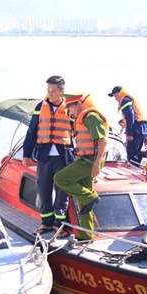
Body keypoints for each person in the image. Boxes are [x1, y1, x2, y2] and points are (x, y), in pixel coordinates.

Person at [22, 75, 74, 234]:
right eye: (48, 90)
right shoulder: (40, 106)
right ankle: (46, 223)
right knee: (43, 190)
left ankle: (60, 225)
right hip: (44, 155)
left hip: (63, 155)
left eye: (53, 91)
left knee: (61, 191)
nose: (50, 94)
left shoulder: (70, 107)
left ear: (62, 91)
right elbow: (32, 131)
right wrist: (27, 153)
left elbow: (79, 131)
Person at [54, 92, 108, 240]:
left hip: (90, 161)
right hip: (85, 159)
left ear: (78, 104)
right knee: (83, 200)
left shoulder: (90, 117)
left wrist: (97, 164)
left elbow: (103, 141)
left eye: (71, 108)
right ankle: (86, 234)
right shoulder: (82, 117)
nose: (70, 112)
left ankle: (91, 197)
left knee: (59, 178)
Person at [107, 86, 147, 166]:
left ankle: (133, 174)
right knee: (136, 153)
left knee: (131, 154)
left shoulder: (124, 100)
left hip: (136, 128)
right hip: (144, 129)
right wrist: (146, 137)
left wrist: (129, 134)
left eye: (115, 96)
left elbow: (130, 116)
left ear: (118, 94)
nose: (115, 99)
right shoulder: (130, 99)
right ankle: (138, 172)